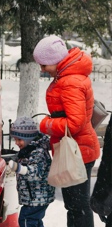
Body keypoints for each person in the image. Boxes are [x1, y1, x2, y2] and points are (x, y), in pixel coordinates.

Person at [33, 35, 100, 227]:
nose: (42, 70)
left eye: (44, 65)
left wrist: (46, 124)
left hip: (78, 152)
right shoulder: (67, 76)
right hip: (77, 149)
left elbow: (75, 123)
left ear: (55, 60)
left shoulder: (70, 81)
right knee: (76, 205)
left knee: (77, 207)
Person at [7, 116, 55, 227]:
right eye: (15, 139)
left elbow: (35, 173)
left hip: (37, 198)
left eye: (19, 139)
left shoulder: (37, 152)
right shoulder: (28, 150)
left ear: (28, 138)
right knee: (34, 221)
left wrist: (19, 168)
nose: (16, 142)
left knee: (26, 220)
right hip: (35, 197)